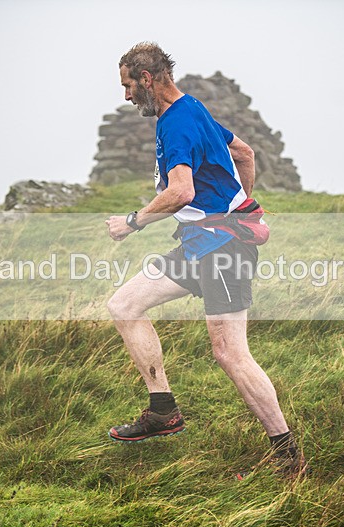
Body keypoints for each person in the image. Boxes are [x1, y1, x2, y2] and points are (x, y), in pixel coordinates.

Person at [105, 42, 304, 477]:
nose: (125, 96)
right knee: (124, 304)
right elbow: (245, 153)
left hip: (223, 251)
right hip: (199, 246)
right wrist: (242, 207)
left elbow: (181, 193)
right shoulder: (193, 108)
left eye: (127, 86)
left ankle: (289, 460)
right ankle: (163, 410)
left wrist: (132, 222)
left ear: (148, 78)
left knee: (230, 353)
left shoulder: (175, 123)